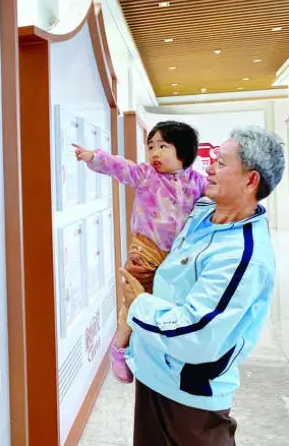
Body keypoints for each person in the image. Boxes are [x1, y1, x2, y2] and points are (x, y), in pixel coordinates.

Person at [121, 126, 285, 446]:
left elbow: (197, 334)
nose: (209, 167)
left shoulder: (243, 254)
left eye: (221, 163)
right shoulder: (202, 212)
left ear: (251, 180)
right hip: (154, 371)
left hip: (189, 397)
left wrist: (138, 302)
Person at [73, 120, 207, 383]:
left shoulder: (198, 182)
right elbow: (121, 167)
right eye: (151, 146)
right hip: (146, 247)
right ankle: (120, 347)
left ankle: (157, 349)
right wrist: (93, 157)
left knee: (167, 300)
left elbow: (216, 202)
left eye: (162, 146)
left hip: (181, 252)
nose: (154, 152)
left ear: (184, 150)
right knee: (136, 295)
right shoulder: (146, 175)